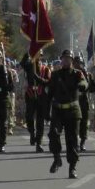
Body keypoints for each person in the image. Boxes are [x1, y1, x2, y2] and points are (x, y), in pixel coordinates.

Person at [39, 50, 87, 179]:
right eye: (64, 58)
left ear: (72, 60)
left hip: (72, 111)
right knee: (53, 135)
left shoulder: (77, 74)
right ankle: (57, 158)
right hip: (58, 111)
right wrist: (46, 112)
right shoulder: (55, 75)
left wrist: (81, 85)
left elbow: (85, 83)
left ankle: (72, 168)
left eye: (68, 58)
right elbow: (49, 94)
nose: (66, 60)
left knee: (72, 140)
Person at [23, 55, 50, 153]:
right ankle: (32, 132)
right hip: (30, 95)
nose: (38, 57)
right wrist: (28, 53)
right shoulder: (29, 66)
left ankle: (39, 143)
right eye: (36, 54)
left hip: (41, 96)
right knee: (29, 117)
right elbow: (22, 63)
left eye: (39, 55)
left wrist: (38, 78)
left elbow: (48, 81)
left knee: (40, 121)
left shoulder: (45, 69)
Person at [72, 54, 95, 152]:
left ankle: (82, 142)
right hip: (73, 100)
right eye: (75, 63)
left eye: (79, 63)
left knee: (84, 123)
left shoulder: (87, 74)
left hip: (83, 100)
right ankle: (75, 143)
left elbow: (93, 88)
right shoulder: (70, 73)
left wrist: (89, 80)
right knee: (74, 123)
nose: (77, 65)